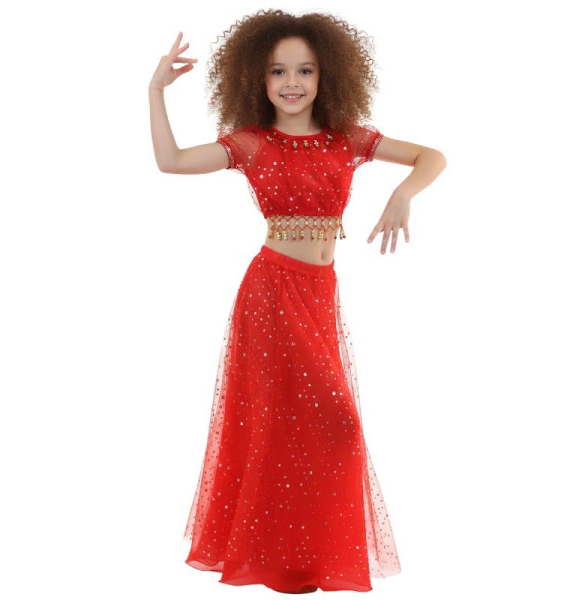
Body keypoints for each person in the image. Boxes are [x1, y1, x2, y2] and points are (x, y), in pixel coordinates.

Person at [149, 10, 446, 594]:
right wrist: (156, 91)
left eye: (305, 70)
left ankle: (300, 565)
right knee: (331, 423)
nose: (292, 83)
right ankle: (283, 560)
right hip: (271, 294)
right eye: (278, 71)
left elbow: (431, 156)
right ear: (256, 79)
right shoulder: (252, 143)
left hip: (320, 292)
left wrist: (403, 194)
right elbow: (172, 162)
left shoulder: (347, 138)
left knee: (309, 428)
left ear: (326, 74)